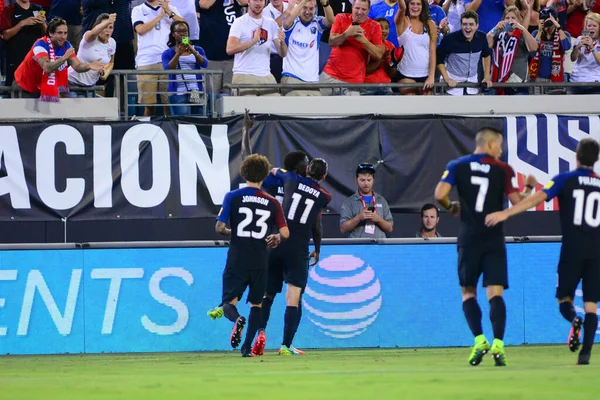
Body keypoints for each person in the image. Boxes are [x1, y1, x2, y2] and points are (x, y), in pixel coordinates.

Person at [485, 138, 600, 366]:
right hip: (597, 251)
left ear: (576, 157)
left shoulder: (564, 179)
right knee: (591, 305)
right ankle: (584, 355)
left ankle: (573, 319)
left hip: (572, 249)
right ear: (596, 160)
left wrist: (505, 214)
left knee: (563, 299)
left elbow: (536, 199)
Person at [434, 127, 536, 367]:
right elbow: (518, 204)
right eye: (499, 145)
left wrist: (450, 207)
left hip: (468, 239)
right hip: (493, 239)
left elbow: (439, 194)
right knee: (495, 293)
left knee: (468, 293)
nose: (501, 150)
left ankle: (479, 340)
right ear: (490, 144)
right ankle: (498, 345)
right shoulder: (503, 169)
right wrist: (529, 187)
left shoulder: (457, 165)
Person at [252, 158, 332, 356]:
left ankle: (260, 333)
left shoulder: (291, 179)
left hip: (277, 242)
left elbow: (273, 170)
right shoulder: (325, 196)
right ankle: (286, 345)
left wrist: (280, 171)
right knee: (293, 297)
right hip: (298, 248)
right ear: (324, 176)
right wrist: (318, 248)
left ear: (307, 170)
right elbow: (316, 225)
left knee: (267, 294)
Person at [215, 154, 289, 357]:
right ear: (265, 175)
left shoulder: (232, 196)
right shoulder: (273, 202)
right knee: (257, 303)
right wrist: (276, 237)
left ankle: (237, 319)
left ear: (243, 172)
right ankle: (246, 348)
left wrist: (234, 232)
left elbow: (220, 227)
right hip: (260, 258)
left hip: (238, 256)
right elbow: (284, 233)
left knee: (228, 302)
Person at [13, 17, 104, 100]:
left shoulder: (66, 45)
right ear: (50, 33)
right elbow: (47, 67)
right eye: (60, 33)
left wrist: (89, 66)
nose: (63, 37)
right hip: (25, 86)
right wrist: (64, 58)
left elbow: (77, 66)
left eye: (65, 33)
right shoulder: (40, 45)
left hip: (42, 85)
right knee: (29, 117)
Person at [320, 0, 385, 95]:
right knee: (319, 107)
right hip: (330, 76)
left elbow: (378, 55)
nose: (359, 12)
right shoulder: (340, 17)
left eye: (363, 9)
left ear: (368, 10)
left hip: (353, 81)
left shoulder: (375, 26)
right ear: (352, 7)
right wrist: (346, 34)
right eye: (357, 8)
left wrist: (363, 40)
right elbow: (332, 42)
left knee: (351, 110)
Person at [132, 0, 184, 116]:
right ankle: (149, 131)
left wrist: (168, 11)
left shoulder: (171, 8)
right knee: (149, 106)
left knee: (169, 104)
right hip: (146, 61)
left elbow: (184, 26)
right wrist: (160, 15)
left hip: (168, 61)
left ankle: (170, 132)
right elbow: (140, 30)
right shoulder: (138, 9)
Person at [226, 0, 288, 96]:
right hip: (243, 74)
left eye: (261, 0)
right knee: (246, 109)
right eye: (255, 0)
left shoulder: (271, 23)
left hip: (266, 75)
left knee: (277, 107)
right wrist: (253, 42)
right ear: (249, 2)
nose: (258, 3)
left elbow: (282, 53)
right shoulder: (239, 22)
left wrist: (283, 41)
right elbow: (230, 49)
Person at [280, 0, 335, 96]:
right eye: (304, 8)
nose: (307, 12)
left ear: (315, 9)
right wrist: (302, 2)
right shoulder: (292, 22)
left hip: (312, 81)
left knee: (317, 109)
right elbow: (286, 24)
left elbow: (331, 21)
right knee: (298, 109)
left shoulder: (317, 23)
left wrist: (325, 3)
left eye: (311, 8)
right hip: (292, 77)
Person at [437, 10, 491, 96]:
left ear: (477, 26)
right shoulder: (450, 39)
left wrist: (486, 77)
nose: (467, 27)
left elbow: (487, 56)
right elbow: (439, 60)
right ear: (461, 25)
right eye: (465, 24)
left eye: (471, 24)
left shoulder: (482, 37)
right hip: (452, 87)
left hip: (473, 86)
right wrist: (446, 79)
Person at [487, 5, 539, 95]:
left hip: (519, 85)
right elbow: (486, 44)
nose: (510, 20)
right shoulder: (499, 34)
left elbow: (534, 47)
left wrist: (522, 28)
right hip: (499, 83)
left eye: (513, 18)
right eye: (507, 18)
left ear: (519, 20)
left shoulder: (523, 35)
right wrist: (495, 28)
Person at [162, 20, 209, 115]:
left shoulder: (198, 49)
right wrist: (178, 53)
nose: (183, 34)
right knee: (183, 120)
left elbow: (205, 64)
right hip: (178, 92)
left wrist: (194, 52)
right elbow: (168, 69)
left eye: (185, 31)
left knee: (198, 117)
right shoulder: (167, 53)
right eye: (179, 31)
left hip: (195, 90)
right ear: (173, 34)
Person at [199, 0, 246, 94]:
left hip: (233, 58)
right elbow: (204, 4)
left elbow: (245, 2)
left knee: (230, 96)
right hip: (211, 57)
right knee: (211, 97)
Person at [340, 163, 394, 238]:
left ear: (373, 180)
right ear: (356, 180)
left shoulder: (381, 200)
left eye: (369, 180)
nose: (366, 183)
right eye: (362, 180)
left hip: (378, 247)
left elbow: (389, 228)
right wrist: (358, 218)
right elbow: (343, 228)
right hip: (357, 247)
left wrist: (378, 219)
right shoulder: (349, 202)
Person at [0, 0, 46, 88]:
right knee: (14, 89)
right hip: (15, 59)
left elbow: (46, 35)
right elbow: (5, 35)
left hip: (34, 59)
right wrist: (22, 23)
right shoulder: (9, 9)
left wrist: (43, 24)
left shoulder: (37, 8)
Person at [68, 13, 116, 96]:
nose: (108, 30)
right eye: (105, 27)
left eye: (110, 27)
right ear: (98, 27)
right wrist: (108, 21)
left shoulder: (112, 43)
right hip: (72, 82)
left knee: (88, 108)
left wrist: (105, 72)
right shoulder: (89, 37)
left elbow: (111, 62)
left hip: (90, 85)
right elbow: (93, 33)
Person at [395, 0, 437, 95]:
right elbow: (402, 9)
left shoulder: (430, 24)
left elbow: (432, 51)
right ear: (408, 5)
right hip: (405, 74)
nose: (415, 7)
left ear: (423, 6)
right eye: (412, 3)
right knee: (412, 103)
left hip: (425, 75)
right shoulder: (403, 21)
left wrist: (431, 76)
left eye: (418, 4)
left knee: (426, 106)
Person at [530, 7, 571, 94]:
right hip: (539, 79)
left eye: (549, 19)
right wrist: (540, 31)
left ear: (556, 19)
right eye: (543, 19)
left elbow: (566, 46)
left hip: (557, 79)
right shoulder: (535, 33)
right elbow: (532, 52)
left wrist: (558, 27)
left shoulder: (564, 34)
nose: (546, 22)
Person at [363, 17, 397, 94]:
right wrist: (381, 60)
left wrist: (394, 63)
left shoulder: (391, 46)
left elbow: (391, 75)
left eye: (386, 28)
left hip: (386, 86)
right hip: (368, 87)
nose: (384, 31)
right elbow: (366, 70)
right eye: (380, 27)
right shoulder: (367, 44)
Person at [568, 12, 600, 94]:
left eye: (594, 26)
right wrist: (578, 47)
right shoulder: (579, 39)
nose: (591, 28)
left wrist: (592, 47)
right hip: (576, 81)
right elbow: (573, 58)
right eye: (589, 26)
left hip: (594, 82)